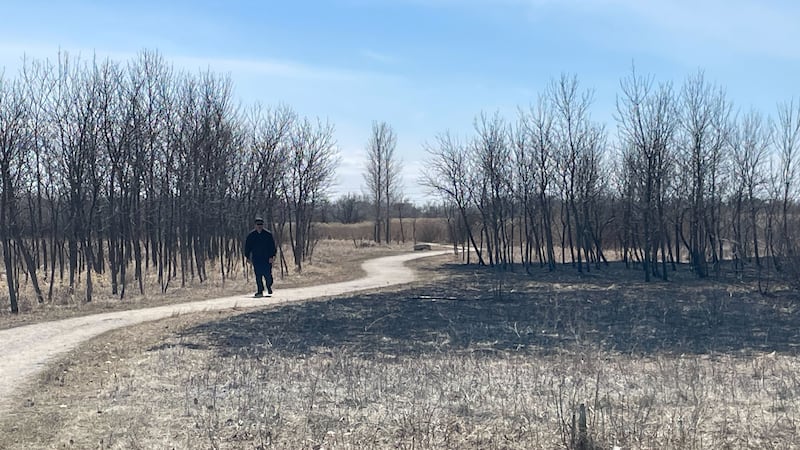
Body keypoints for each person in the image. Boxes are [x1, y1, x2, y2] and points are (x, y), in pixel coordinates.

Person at [244, 216, 277, 297]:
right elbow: (247, 247)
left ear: (263, 225)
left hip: (267, 258)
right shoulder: (251, 235)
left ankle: (269, 286)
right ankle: (260, 291)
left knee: (268, 275)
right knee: (258, 275)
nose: (259, 226)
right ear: (255, 225)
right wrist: (247, 257)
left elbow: (272, 246)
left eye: (261, 224)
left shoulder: (268, 234)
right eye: (258, 224)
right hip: (256, 258)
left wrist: (272, 256)